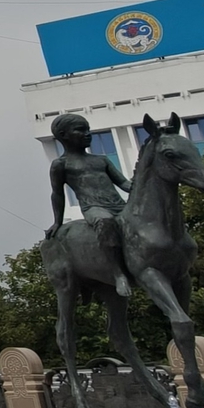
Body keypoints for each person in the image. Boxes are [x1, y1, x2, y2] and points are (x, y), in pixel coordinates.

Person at [44, 113, 130, 294]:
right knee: (105, 222)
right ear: (63, 135)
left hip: (119, 205)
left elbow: (123, 183)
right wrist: (57, 222)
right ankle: (118, 274)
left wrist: (141, 186)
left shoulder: (101, 160)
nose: (88, 133)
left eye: (88, 129)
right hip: (94, 208)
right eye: (80, 130)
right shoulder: (61, 164)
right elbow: (58, 194)